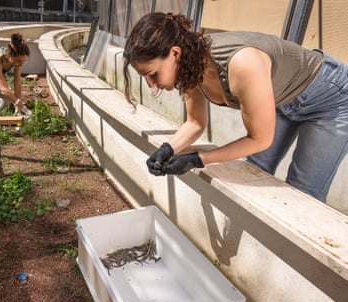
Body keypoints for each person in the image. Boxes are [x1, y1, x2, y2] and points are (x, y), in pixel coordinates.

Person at [123, 12, 348, 203]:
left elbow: (260, 139)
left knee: (302, 193)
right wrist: (167, 149)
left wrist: (197, 159)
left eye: (152, 74)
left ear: (175, 53)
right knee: (254, 170)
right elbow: (195, 123)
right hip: (284, 96)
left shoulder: (242, 63)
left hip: (330, 96)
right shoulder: (189, 66)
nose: (151, 84)